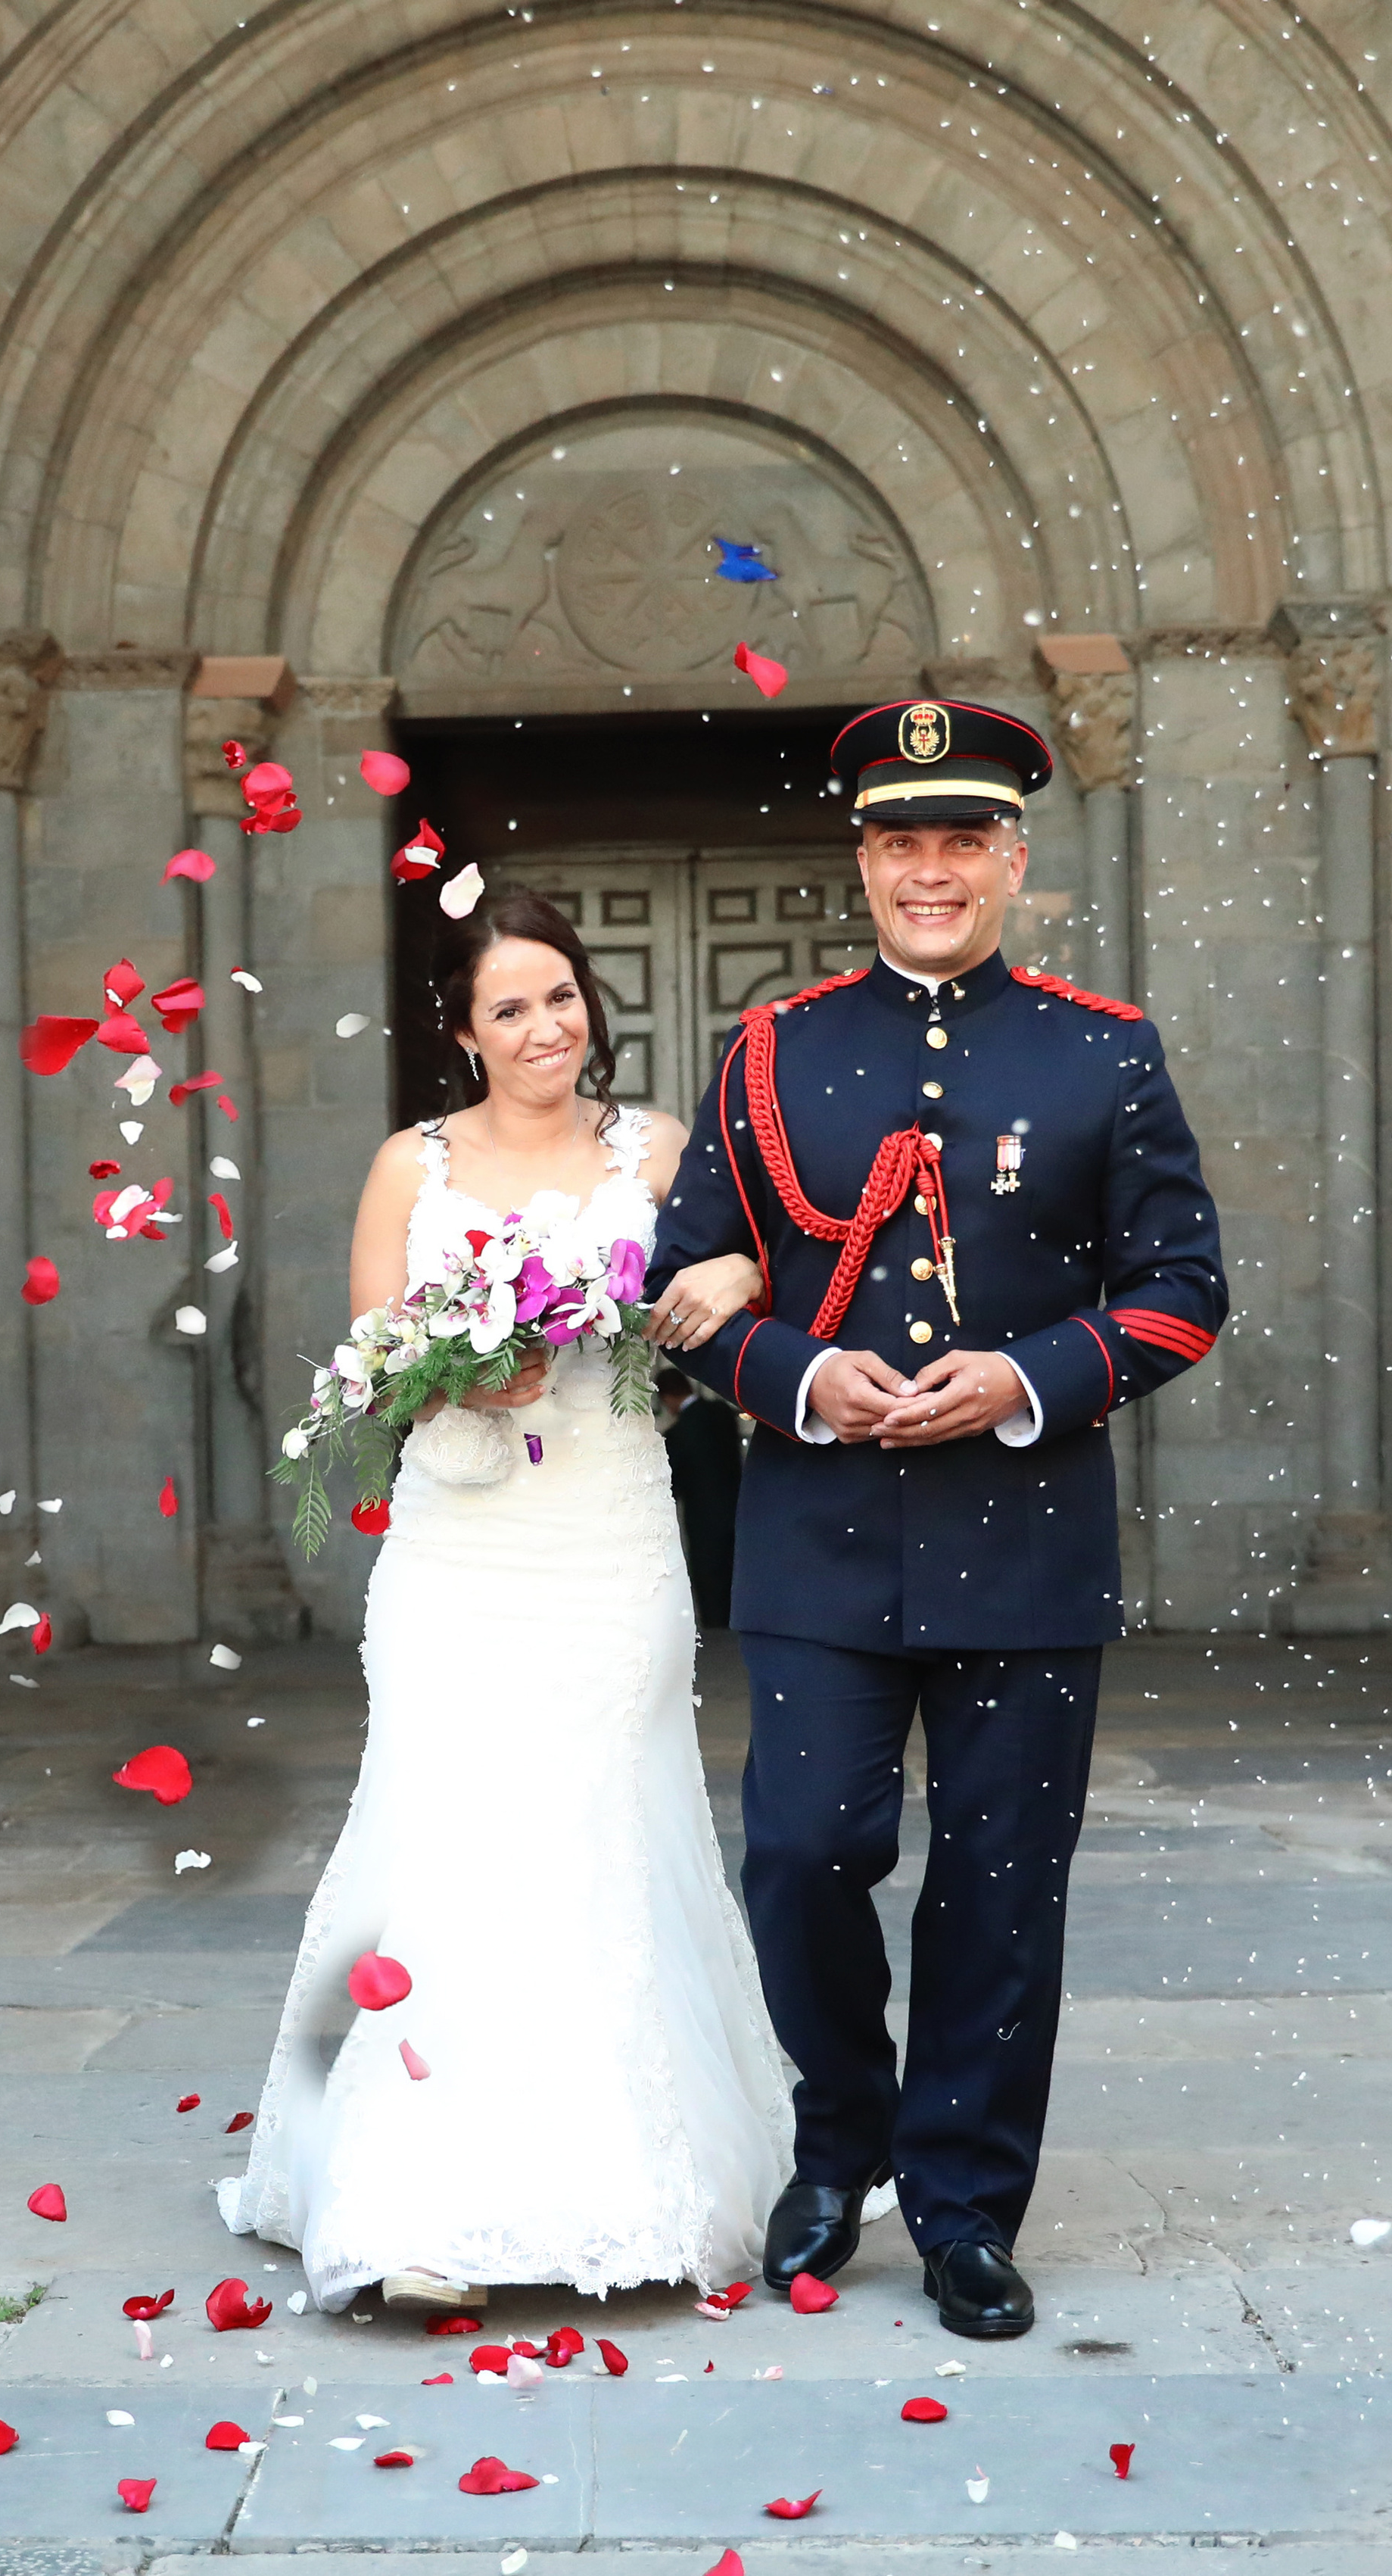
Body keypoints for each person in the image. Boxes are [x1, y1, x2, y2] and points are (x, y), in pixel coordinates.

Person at [648, 697, 1228, 2341]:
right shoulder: (773, 1052)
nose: (930, 870)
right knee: (804, 1853)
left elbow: (1184, 1289)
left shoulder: (1102, 1051)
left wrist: (1028, 1376)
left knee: (1000, 1886)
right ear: (862, 861)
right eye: (902, 841)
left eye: (961, 840)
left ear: (1012, 860)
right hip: (818, 1534)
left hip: (1025, 1536)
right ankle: (837, 2149)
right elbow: (675, 1292)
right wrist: (799, 1377)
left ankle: (965, 2206)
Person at [220, 888, 791, 2311]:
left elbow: (742, 1285)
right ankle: (412, 2205)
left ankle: (620, 2184)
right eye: (510, 1008)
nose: (546, 1028)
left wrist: (730, 1268)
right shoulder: (409, 1168)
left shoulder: (656, 1148)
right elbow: (368, 1374)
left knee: (602, 1837)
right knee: (444, 1847)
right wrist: (459, 1374)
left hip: (609, 1543)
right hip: (459, 1559)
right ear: (464, 1033)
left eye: (561, 997)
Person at [655, 1367, 744, 1628]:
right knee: (737, 1574)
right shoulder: (722, 1413)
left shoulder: (677, 1434)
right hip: (738, 1508)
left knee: (710, 1581)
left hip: (703, 1518)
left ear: (667, 1398)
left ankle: (718, 1633)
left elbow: (673, 1484)